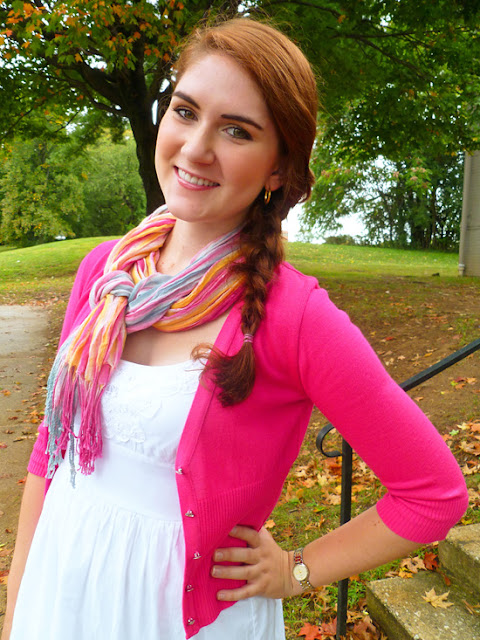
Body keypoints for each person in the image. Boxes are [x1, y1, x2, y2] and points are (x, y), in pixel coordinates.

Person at [2, 17, 468, 640]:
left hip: (179, 617)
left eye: (237, 131)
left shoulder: (293, 316)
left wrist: (297, 570)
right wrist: (19, 603)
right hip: (64, 584)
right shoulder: (107, 273)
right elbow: (52, 450)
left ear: (278, 169)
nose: (196, 148)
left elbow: (434, 494)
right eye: (185, 111)